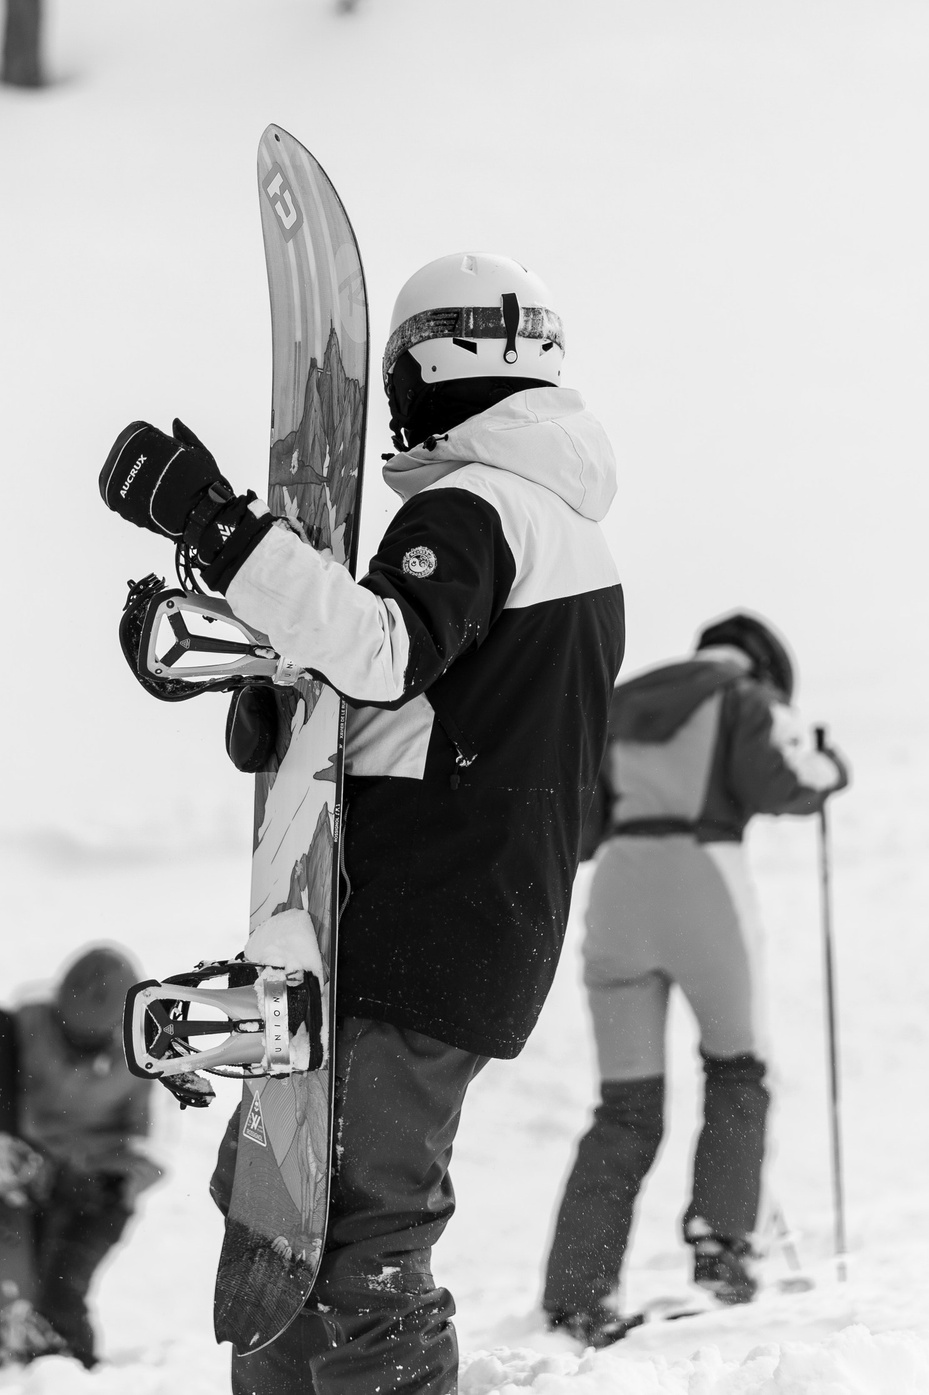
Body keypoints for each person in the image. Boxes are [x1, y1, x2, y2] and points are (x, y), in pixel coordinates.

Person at [97, 252, 624, 1395]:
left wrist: (220, 530)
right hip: (454, 921)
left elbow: (383, 652)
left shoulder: (480, 509)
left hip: (422, 925)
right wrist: (283, 694)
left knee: (353, 1235)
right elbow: (437, 706)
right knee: (278, 1214)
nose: (394, 407)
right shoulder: (559, 531)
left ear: (440, 364)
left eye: (399, 380)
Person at [539, 611, 848, 1346]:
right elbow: (784, 780)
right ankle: (722, 1253)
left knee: (625, 1107)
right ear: (764, 667)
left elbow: (582, 824)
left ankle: (577, 1294)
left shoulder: (622, 700)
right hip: (704, 886)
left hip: (618, 896)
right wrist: (831, 766)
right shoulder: (746, 697)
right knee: (738, 1070)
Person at [0, 945, 165, 1369]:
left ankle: (81, 1377)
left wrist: (106, 1181)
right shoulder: (31, 1023)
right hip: (40, 1175)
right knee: (32, 1290)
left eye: (87, 1040)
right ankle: (36, 1373)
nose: (73, 1047)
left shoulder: (146, 1057)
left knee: (61, 1292)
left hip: (101, 1199)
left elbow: (152, 1149)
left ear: (116, 1028)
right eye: (67, 1032)